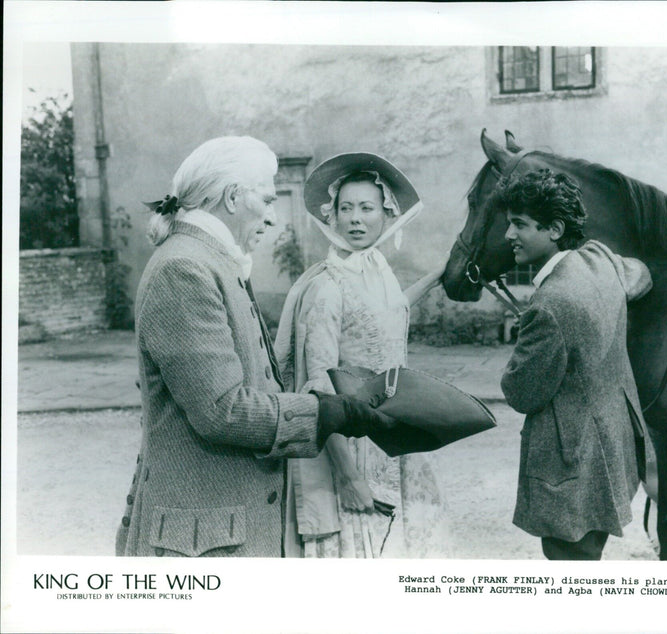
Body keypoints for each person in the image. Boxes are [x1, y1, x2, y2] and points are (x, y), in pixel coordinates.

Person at [115, 137, 397, 557]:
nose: (271, 219)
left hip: (222, 531)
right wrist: (324, 413)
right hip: (204, 543)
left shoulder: (214, 260)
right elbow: (222, 411)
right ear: (232, 197)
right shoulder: (185, 268)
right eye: (266, 201)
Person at [275, 153, 449, 558]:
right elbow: (320, 393)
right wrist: (350, 478)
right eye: (346, 208)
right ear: (331, 216)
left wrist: (438, 276)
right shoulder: (326, 287)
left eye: (366, 208)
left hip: (389, 435)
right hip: (349, 448)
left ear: (386, 215)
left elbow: (387, 312)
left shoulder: (376, 270)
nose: (356, 219)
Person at [495, 168, 654, 560]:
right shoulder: (598, 259)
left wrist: (532, 334)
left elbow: (520, 393)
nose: (508, 235)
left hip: (572, 471)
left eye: (519, 225)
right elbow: (641, 274)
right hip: (612, 454)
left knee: (570, 565)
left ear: (554, 229)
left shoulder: (550, 305)